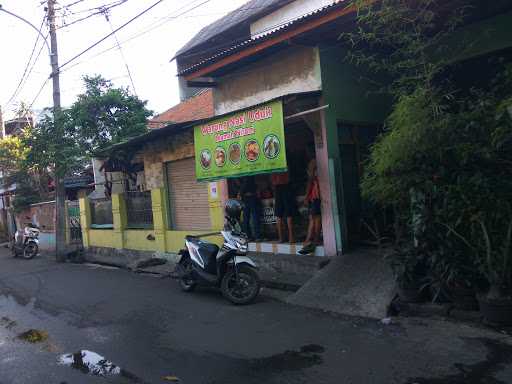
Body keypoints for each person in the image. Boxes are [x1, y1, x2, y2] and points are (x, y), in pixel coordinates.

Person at [299, 158, 321, 255]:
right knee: (315, 219)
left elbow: (310, 181)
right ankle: (311, 241)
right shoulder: (318, 162)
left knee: (314, 219)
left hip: (315, 196)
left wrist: (306, 196)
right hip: (316, 196)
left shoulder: (313, 163)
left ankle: (311, 242)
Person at [271, 171, 295, 243]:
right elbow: (290, 177)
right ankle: (291, 238)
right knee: (289, 214)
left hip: (277, 188)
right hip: (286, 186)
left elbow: (272, 180)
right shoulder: (284, 163)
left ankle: (281, 238)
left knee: (279, 215)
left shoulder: (274, 166)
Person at [239, 176, 261, 241]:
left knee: (247, 218)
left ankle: (250, 236)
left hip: (248, 198)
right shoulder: (249, 175)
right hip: (251, 197)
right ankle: (256, 236)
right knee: (253, 217)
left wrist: (240, 192)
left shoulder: (245, 175)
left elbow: (244, 186)